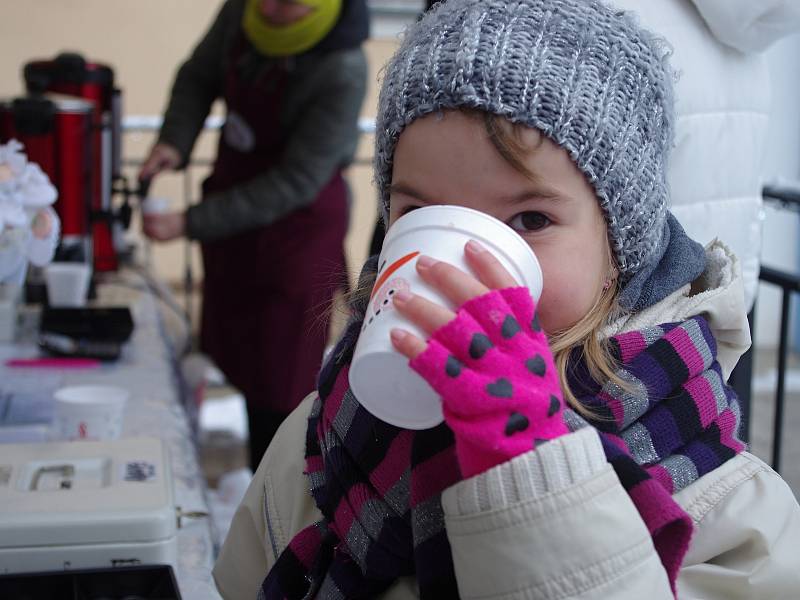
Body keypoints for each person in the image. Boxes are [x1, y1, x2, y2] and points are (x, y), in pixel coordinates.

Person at [213, 0, 800, 598]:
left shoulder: (725, 507)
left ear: (622, 249)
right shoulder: (326, 428)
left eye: (529, 218)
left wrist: (532, 471)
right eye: (423, 214)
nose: (463, 265)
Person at [138, 0, 369, 467]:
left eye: (286, 4)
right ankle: (248, 473)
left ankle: (283, 486)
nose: (268, 9)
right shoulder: (242, 12)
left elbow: (294, 182)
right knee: (238, 357)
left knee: (282, 381)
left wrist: (192, 221)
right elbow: (199, 75)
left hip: (295, 233)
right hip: (235, 219)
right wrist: (173, 140)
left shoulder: (342, 68)